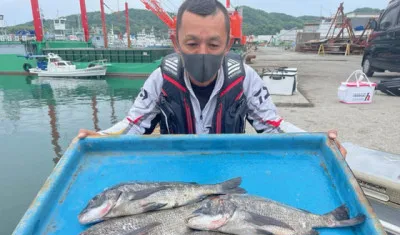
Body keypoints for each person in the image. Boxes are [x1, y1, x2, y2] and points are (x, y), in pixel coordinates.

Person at [77, 0, 346, 157]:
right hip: (176, 169)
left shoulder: (245, 79)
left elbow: (273, 125)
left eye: (214, 45)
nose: (203, 54)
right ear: (176, 41)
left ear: (228, 44)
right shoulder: (160, 79)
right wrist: (99, 137)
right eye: (192, 44)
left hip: (229, 170)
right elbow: (133, 124)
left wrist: (320, 141)